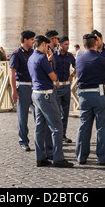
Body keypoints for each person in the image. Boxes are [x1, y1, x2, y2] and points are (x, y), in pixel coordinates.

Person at [28, 34, 74, 168]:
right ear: (43, 44)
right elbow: (53, 76)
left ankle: (40, 158)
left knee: (39, 127)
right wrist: (49, 63)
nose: (48, 48)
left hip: (35, 94)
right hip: (46, 95)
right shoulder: (42, 59)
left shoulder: (31, 57)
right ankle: (58, 158)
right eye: (47, 45)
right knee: (57, 126)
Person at [75, 33, 105, 165]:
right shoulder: (103, 60)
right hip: (98, 94)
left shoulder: (78, 60)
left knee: (83, 126)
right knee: (102, 127)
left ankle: (81, 156)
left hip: (84, 96)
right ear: (96, 43)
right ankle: (102, 158)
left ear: (84, 45)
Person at [9, 30, 35, 152]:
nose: (33, 42)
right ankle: (23, 141)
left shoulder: (33, 52)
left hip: (34, 87)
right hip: (23, 87)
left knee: (38, 115)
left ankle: (41, 141)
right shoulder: (16, 54)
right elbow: (12, 73)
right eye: (31, 39)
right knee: (23, 116)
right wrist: (14, 90)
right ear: (25, 40)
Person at [52, 36, 76, 143]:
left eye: (68, 44)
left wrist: (72, 74)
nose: (67, 46)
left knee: (65, 112)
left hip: (66, 86)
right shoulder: (53, 56)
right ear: (60, 45)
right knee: (56, 112)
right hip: (56, 87)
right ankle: (56, 135)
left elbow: (77, 66)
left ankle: (63, 135)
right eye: (65, 44)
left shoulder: (70, 56)